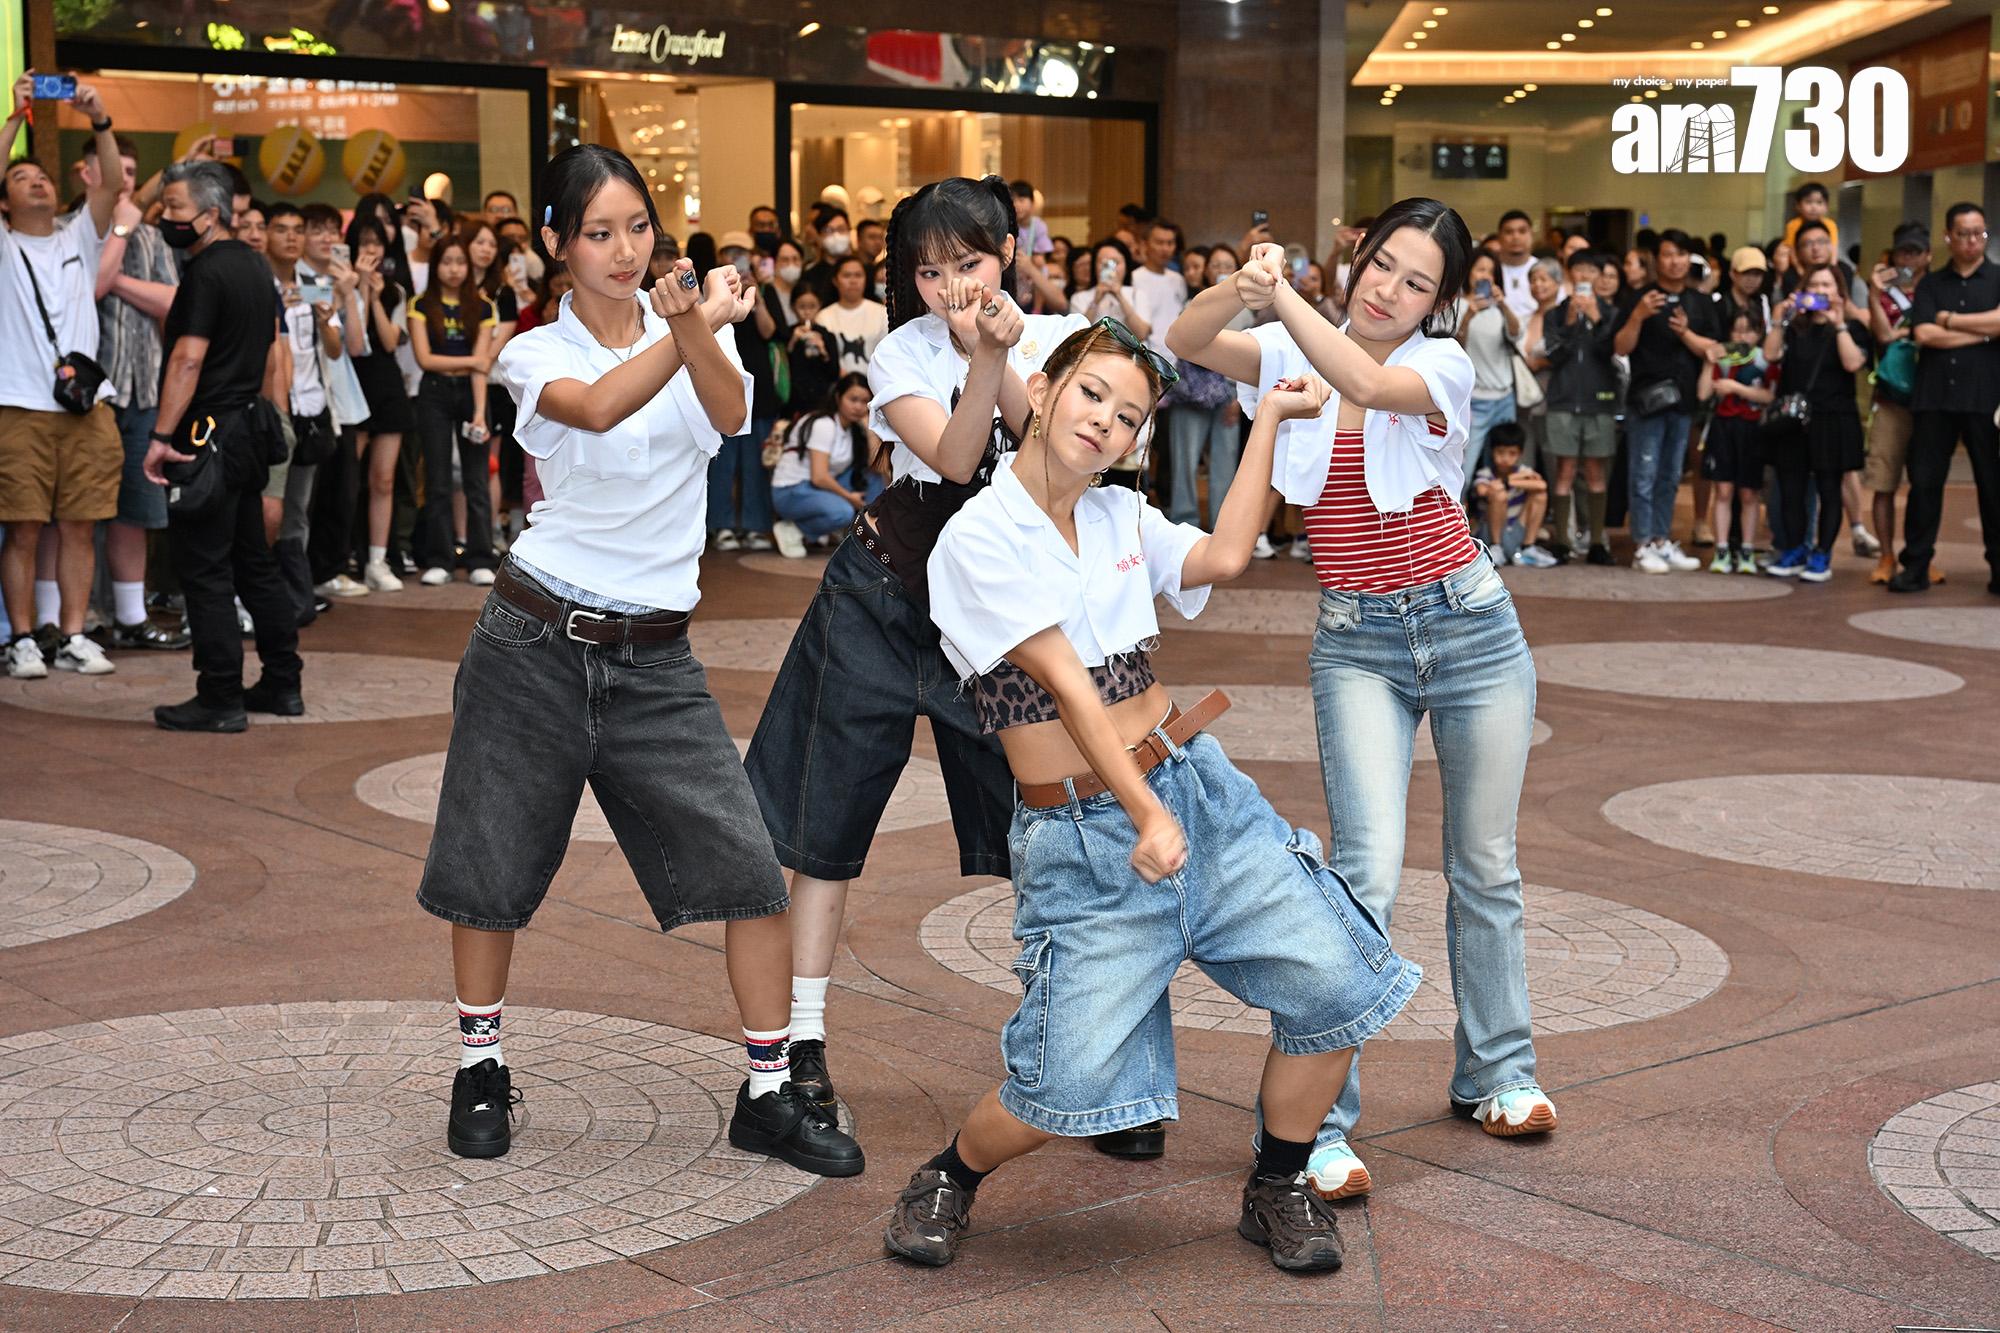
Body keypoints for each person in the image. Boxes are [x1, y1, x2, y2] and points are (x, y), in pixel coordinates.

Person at [885, 321, 1420, 1272]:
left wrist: (1268, 425)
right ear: (1043, 391)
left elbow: (1221, 560)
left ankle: (1279, 1181)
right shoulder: (976, 536)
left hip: (1198, 790)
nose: (1106, 421)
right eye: (1092, 395)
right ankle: (948, 1176)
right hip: (1085, 835)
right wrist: (1144, 814)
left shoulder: (1118, 515)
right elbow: (1066, 685)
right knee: (1064, 1081)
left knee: (1340, 984)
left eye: (1129, 415)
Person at [423, 143, 861, 1180]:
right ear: (554, 245)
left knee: (750, 872)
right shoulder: (533, 352)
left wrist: (694, 330)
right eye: (598, 232)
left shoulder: (690, 337)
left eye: (637, 227)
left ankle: (764, 1094)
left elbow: (726, 413)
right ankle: (478, 1067)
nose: (624, 250)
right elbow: (599, 405)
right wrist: (690, 318)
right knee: (488, 870)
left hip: (657, 658)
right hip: (532, 639)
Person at [1169, 199, 1556, 1203]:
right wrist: (1243, 286)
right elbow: (1184, 339)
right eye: (1380, 264)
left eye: (1414, 281)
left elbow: (1363, 380)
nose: (1386, 290)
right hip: (1356, 642)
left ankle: (1498, 1072)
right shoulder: (1290, 343)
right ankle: (1319, 1127)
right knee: (1362, 877)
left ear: (1440, 299)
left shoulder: (1439, 366)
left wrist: (1288, 299)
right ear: (1357, 255)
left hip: (1469, 627)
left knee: (1484, 866)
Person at [745, 176, 1090, 1149]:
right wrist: (981, 351)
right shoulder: (899, 349)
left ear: (1009, 252)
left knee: (1050, 826)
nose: (949, 287)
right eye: (928, 271)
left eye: (968, 264)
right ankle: (799, 1052)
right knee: (824, 823)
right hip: (882, 594)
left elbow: (1056, 454)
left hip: (998, 616)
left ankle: (1072, 1047)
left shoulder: (1064, 339)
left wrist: (1012, 347)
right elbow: (950, 456)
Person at [139, 160, 292, 731]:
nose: (166, 218)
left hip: (208, 437)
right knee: (255, 562)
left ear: (210, 215)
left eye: (175, 209)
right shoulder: (256, 266)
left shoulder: (206, 272)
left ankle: (221, 696)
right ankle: (283, 682)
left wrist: (159, 438)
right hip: (250, 430)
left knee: (204, 568)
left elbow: (188, 357)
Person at [0, 74, 123, 680]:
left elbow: (115, 183)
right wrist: (16, 118)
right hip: (18, 405)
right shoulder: (2, 243)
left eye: (41, 175)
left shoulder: (81, 233)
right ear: (5, 201)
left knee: (81, 526)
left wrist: (98, 117)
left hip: (87, 408)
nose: (38, 181)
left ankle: (73, 634)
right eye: (22, 178)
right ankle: (22, 638)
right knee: (22, 528)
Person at [84, 133, 189, 650]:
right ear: (88, 174)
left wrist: (119, 280)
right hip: (88, 397)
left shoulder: (154, 238)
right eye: (113, 169)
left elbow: (174, 300)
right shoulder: (70, 232)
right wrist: (119, 233)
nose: (123, 179)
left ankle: (129, 616)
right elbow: (87, 287)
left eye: (130, 171)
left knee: (137, 509)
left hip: (145, 391)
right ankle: (75, 616)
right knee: (79, 513)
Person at [1891, 203, 2000, 595]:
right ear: (1948, 237)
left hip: (1987, 398)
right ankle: (1916, 565)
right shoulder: (1931, 284)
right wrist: (1986, 331)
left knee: (1994, 486)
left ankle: (1999, 568)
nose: (1973, 241)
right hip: (1935, 397)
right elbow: (1923, 335)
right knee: (1924, 484)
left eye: (1980, 233)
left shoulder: (1998, 277)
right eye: (1965, 233)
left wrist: (1951, 321)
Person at [1615, 229, 1718, 573]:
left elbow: (1715, 350)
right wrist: (1638, 316)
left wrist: (1685, 332)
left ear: (1689, 259)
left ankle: (1662, 539)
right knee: (1643, 473)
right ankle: (1643, 544)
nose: (1675, 261)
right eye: (1668, 254)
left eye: (1681, 254)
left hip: (1685, 401)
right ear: (1656, 260)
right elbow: (1621, 347)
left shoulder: (1701, 302)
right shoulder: (1638, 298)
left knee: (1671, 475)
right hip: (1646, 402)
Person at [1762, 265, 1872, 583]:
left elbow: (1853, 363)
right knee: (1792, 488)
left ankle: (1822, 553)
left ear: (1839, 292)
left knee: (1829, 487)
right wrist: (1780, 319)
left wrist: (1839, 325)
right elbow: (1770, 355)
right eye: (1815, 285)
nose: (1822, 290)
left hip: (1834, 416)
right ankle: (1796, 548)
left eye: (1828, 285)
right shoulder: (1795, 326)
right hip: (1795, 418)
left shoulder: (1852, 326)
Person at [409, 234, 496, 586]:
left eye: (460, 262)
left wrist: (479, 412)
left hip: (472, 394)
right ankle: (440, 560)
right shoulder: (419, 304)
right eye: (447, 262)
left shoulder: (484, 306)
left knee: (476, 481)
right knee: (438, 479)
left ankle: (480, 557)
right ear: (436, 266)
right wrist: (474, 360)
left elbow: (480, 368)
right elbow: (425, 359)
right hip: (433, 394)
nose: (455, 269)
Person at [343, 215, 412, 593]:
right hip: (352, 382)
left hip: (385, 384)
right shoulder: (341, 284)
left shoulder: (396, 292)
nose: (372, 250)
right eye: (365, 241)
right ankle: (342, 555)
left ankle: (377, 558)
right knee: (347, 478)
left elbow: (386, 341)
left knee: (383, 479)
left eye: (379, 243)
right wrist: (359, 290)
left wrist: (375, 293)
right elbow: (355, 342)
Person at [1863, 224, 1931, 585]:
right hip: (1890, 400)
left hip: (1930, 400)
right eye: (1903, 252)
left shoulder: (1938, 289)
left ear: (1928, 255)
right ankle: (1887, 556)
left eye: (1916, 252)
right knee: (1883, 481)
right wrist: (1874, 294)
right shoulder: (1884, 294)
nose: (1909, 259)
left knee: (1925, 483)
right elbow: (1882, 336)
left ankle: (1920, 556)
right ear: (1893, 255)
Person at [1540, 249, 1618, 565]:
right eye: (1579, 269)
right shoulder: (1556, 313)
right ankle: (1562, 541)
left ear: (1600, 276)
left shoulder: (1612, 314)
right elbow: (1554, 355)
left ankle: (1597, 541)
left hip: (1599, 402)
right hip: (1562, 401)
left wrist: (1597, 319)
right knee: (1565, 470)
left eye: (1591, 270)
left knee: (1596, 471)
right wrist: (1571, 321)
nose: (1585, 276)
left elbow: (1611, 352)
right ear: (1569, 273)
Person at [1164, 245, 1248, 530]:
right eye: (1216, 264)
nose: (1221, 270)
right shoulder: (1193, 305)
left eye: (1228, 264)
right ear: (1206, 269)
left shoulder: (1247, 312)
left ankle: (1221, 527)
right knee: (1184, 464)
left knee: (1225, 465)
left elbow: (1254, 358)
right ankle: (1183, 524)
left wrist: (1239, 398)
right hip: (1191, 395)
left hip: (1231, 397)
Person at [1695, 308, 1773, 574]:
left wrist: (1737, 389)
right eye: (1736, 330)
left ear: (1758, 334)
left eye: (1748, 330)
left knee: (1749, 493)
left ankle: (1748, 550)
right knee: (1724, 491)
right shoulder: (1722, 358)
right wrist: (1708, 363)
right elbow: (1704, 394)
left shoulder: (1764, 359)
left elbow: (1770, 396)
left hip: (1751, 429)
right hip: (1722, 428)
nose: (1741, 336)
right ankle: (1722, 549)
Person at [771, 372, 873, 558]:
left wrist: (870, 428)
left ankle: (867, 536)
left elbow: (876, 465)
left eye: (865, 401)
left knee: (872, 480)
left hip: (815, 490)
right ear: (838, 397)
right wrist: (849, 497)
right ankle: (794, 530)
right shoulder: (823, 424)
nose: (858, 407)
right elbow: (819, 477)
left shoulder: (852, 431)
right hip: (791, 491)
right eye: (853, 399)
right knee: (842, 512)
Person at [1454, 250, 1521, 477]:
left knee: (1502, 468)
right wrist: (1469, 315)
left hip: (1505, 398)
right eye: (1481, 269)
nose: (1486, 275)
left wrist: (1503, 306)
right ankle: (1462, 509)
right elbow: (1454, 347)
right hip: (1475, 401)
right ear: (1469, 272)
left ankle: (1497, 511)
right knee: (1465, 467)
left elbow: (1515, 333)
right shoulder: (1458, 306)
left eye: (1492, 272)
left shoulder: (1499, 308)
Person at [1472, 422, 1552, 566]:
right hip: (1490, 534)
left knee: (1540, 495)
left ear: (1520, 454)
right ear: (1492, 451)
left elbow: (1542, 485)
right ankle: (1496, 548)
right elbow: (1482, 490)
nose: (1505, 458)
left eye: (1512, 453)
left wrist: (1508, 481)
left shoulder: (1523, 471)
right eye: (1500, 452)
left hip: (1516, 532)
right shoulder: (1486, 473)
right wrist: (1512, 480)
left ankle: (1528, 548)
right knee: (1499, 494)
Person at [815, 254, 888, 375]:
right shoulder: (823, 317)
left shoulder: (882, 313)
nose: (853, 281)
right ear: (835, 280)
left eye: (858, 275)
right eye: (847, 275)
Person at [1068, 238, 1150, 339]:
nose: (1109, 268)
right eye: (1103, 262)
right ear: (1094, 266)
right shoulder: (1079, 297)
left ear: (1126, 265)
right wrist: (1096, 301)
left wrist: (1119, 296)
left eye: (1115, 262)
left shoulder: (1137, 294)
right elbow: (1078, 336)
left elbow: (1142, 334)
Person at [1492, 209, 1540, 320]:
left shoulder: (1543, 269)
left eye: (1522, 231)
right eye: (1509, 232)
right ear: (1499, 237)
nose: (1516, 237)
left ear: (1531, 234)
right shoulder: (1489, 269)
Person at [1781, 182, 1837, 257]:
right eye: (1808, 202)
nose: (1814, 207)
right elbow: (1791, 250)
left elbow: (1833, 249)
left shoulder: (1830, 224)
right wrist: (1799, 268)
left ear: (1826, 206)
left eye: (1819, 202)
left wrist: (1832, 267)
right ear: (1798, 206)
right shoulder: (1793, 225)